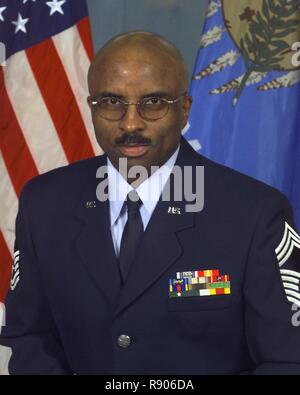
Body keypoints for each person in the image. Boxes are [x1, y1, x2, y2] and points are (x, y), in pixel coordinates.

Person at [1, 31, 300, 375]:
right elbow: (30, 336)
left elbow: (287, 359)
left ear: (184, 109)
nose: (131, 123)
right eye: (112, 102)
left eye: (154, 103)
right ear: (91, 108)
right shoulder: (45, 204)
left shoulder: (254, 214)